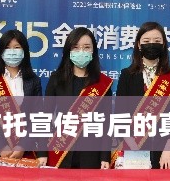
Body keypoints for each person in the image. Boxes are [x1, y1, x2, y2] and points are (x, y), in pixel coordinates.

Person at [37, 27, 113, 168]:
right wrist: (42, 152)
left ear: (93, 51)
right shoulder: (57, 79)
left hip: (92, 155)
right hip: (60, 151)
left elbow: (106, 123)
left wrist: (105, 157)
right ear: (69, 51)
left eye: (86, 47)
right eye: (76, 48)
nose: (81, 51)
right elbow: (44, 117)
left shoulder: (102, 83)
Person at [116, 21, 170, 169]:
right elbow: (120, 116)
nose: (151, 44)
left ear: (163, 44)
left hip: (165, 153)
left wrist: (168, 149)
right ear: (139, 45)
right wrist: (133, 147)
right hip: (134, 149)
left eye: (157, 41)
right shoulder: (127, 75)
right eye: (146, 41)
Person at [0, 30, 42, 164]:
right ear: (1, 52)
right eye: (7, 47)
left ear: (24, 51)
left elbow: (37, 117)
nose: (12, 52)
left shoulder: (33, 81)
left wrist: (22, 146)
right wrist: (1, 146)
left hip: (23, 153)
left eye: (17, 47)